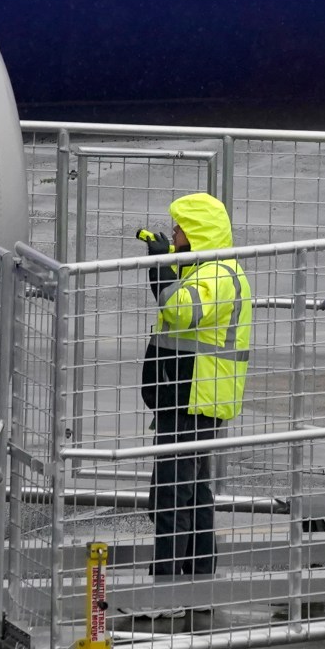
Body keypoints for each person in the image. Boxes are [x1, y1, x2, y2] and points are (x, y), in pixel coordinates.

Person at [137, 192, 252, 584]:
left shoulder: (216, 275)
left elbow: (180, 309)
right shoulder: (203, 269)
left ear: (198, 231)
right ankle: (198, 578)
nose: (173, 231)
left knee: (172, 495)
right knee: (194, 492)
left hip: (195, 399)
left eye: (180, 226)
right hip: (187, 397)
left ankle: (166, 588)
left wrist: (159, 265)